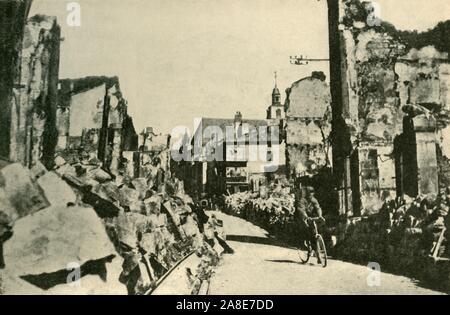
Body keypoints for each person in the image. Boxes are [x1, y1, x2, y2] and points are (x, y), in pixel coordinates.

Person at [294, 186, 325, 264]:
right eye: (310, 192)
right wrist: (306, 216)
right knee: (306, 231)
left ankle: (318, 254)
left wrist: (320, 215)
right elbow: (301, 210)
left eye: (312, 192)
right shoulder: (302, 200)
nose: (311, 194)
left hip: (311, 218)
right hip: (302, 218)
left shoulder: (314, 200)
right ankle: (307, 245)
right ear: (307, 193)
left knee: (315, 234)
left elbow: (318, 208)